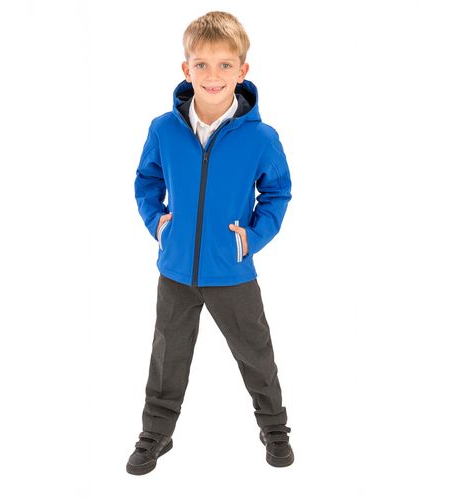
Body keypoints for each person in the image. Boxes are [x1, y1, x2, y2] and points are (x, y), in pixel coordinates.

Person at [126, 11, 293, 475]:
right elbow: (147, 181)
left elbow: (277, 193)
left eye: (224, 65)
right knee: (167, 357)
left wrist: (251, 239)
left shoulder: (261, 137)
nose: (212, 75)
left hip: (231, 270)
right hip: (176, 269)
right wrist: (159, 224)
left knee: (256, 354)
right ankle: (155, 434)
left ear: (242, 71)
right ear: (186, 69)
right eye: (201, 64)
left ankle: (275, 429)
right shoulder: (164, 129)